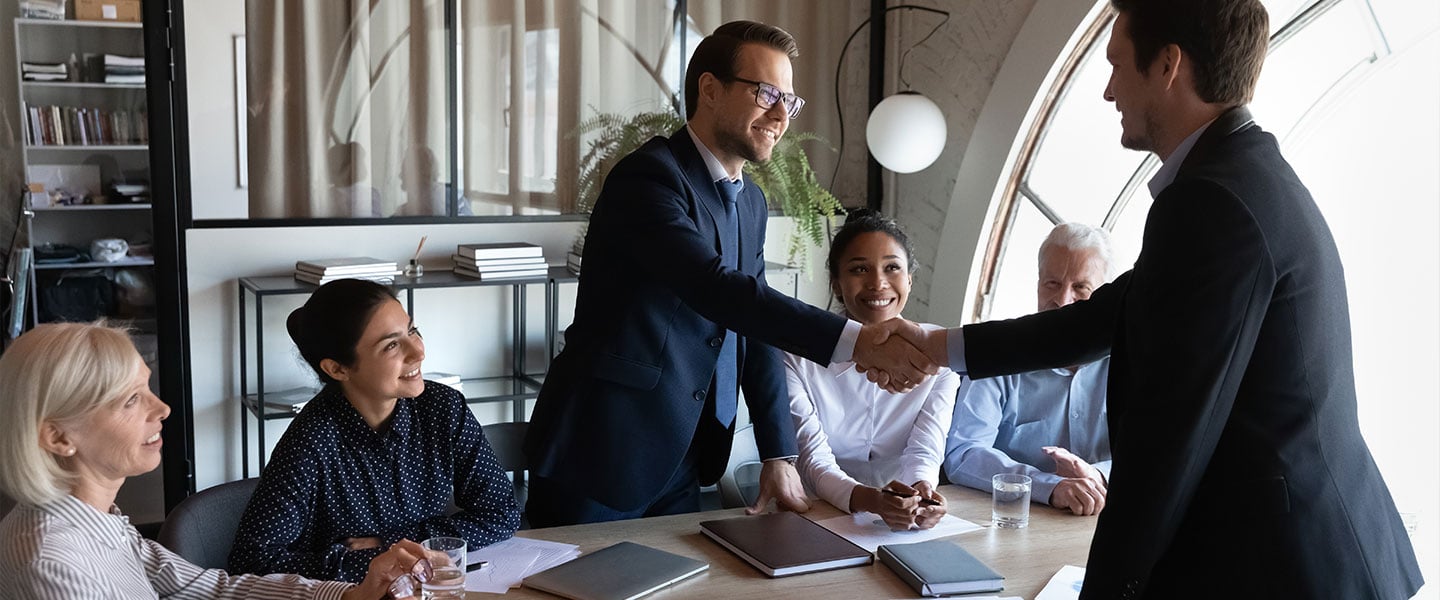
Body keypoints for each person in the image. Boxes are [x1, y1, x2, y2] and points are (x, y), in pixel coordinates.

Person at [885, 1, 1423, 596]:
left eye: (1118, 65)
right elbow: (1109, 315)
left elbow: (1171, 435)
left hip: (1292, 566)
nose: (1110, 89)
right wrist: (939, 346)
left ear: (1168, 65)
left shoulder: (1214, 202)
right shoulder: (1237, 178)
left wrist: (1109, 589)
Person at [523, 20, 935, 527]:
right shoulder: (649, 178)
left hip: (686, 456)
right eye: (766, 94)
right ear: (711, 90)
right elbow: (715, 288)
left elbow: (754, 323)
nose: (781, 114)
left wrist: (777, 453)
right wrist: (860, 340)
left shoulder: (751, 203)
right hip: (603, 451)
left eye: (790, 100)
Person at [0, 322, 429, 599]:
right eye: (131, 400)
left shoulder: (94, 523)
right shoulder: (54, 567)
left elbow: (210, 588)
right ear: (58, 437)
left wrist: (351, 595)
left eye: (148, 388)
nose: (162, 408)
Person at [230, 279, 520, 582]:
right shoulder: (312, 440)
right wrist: (372, 562)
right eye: (392, 344)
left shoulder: (442, 408)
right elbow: (250, 562)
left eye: (412, 330)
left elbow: (500, 512)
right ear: (338, 369)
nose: (418, 352)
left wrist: (391, 543)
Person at [784, 210, 959, 530]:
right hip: (813, 513)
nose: (878, 283)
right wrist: (870, 500)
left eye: (892, 267)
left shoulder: (939, 357)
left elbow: (925, 447)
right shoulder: (796, 357)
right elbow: (812, 461)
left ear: (909, 279)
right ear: (836, 284)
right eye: (859, 269)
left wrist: (923, 490)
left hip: (903, 520)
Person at [944, 223, 1115, 517]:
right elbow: (963, 453)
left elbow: (1158, 452)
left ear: (1106, 296)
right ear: (1037, 282)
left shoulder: (1133, 361)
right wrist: (1049, 487)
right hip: (1012, 521)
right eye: (1052, 284)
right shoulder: (999, 353)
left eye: (1081, 288)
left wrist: (1097, 476)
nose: (1063, 301)